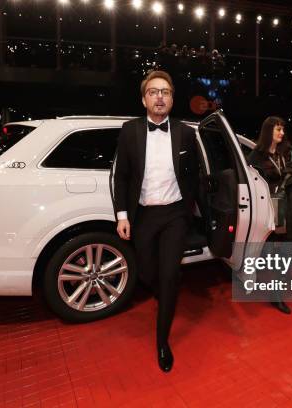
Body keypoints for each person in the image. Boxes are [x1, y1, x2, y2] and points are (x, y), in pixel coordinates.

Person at [113, 70, 201, 372]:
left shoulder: (186, 133)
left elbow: (195, 176)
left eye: (165, 91)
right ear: (144, 99)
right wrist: (122, 215)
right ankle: (162, 290)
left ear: (173, 99)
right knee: (148, 273)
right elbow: (121, 177)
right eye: (153, 92)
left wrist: (201, 213)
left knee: (167, 276)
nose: (159, 96)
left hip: (175, 215)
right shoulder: (130, 131)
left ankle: (162, 341)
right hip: (143, 216)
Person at [247, 116, 292, 315]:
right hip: (265, 212)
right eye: (278, 129)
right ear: (268, 130)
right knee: (270, 256)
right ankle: (275, 295)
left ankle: (277, 292)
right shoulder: (256, 156)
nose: (282, 133)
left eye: (282, 129)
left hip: (284, 211)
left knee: (285, 254)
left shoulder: (283, 154)